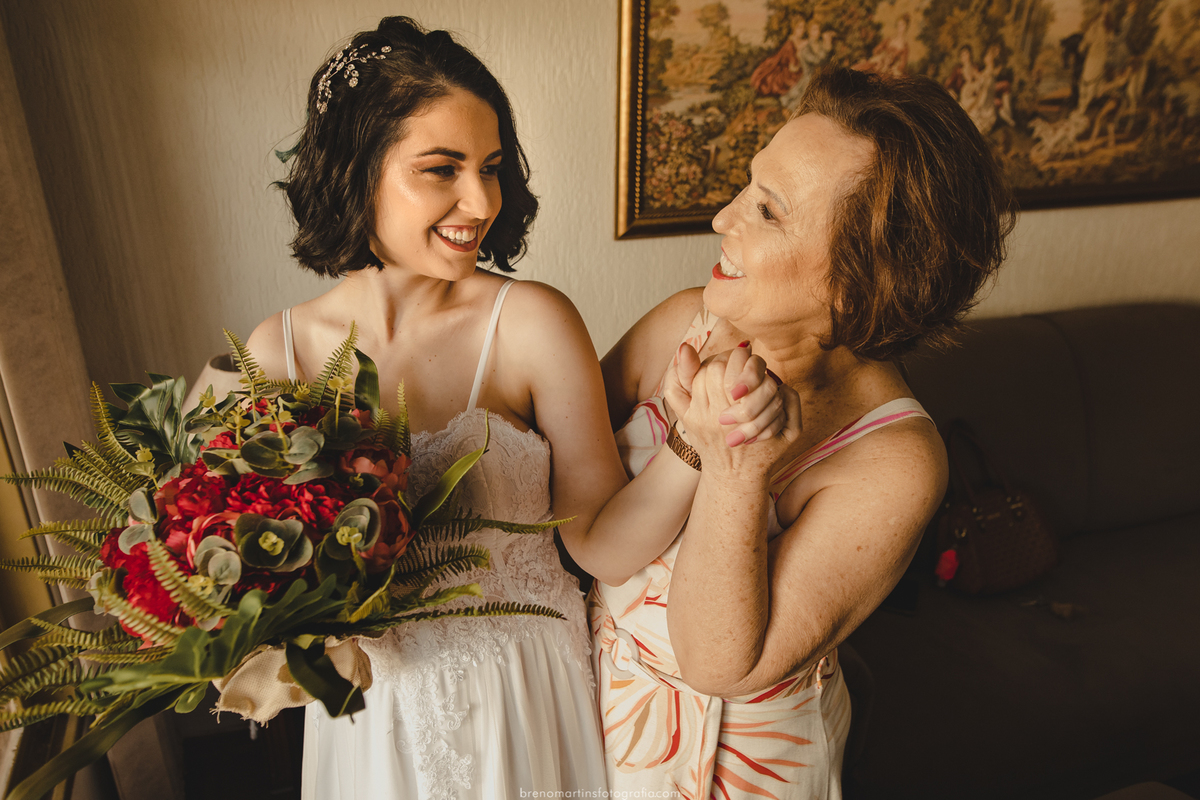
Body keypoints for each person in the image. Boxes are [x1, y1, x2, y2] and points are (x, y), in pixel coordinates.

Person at [245, 16, 783, 799]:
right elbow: (211, 556)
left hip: (527, 703)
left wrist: (697, 445)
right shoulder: (276, 356)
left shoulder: (531, 323)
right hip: (371, 723)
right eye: (442, 169)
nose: (481, 200)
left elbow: (598, 542)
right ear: (357, 171)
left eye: (492, 167)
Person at [589, 66, 1015, 799]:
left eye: (768, 211)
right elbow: (550, 464)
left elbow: (720, 663)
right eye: (746, 186)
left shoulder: (896, 463)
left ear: (857, 282)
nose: (722, 217)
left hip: (732, 772)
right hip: (583, 713)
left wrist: (735, 467)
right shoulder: (687, 319)